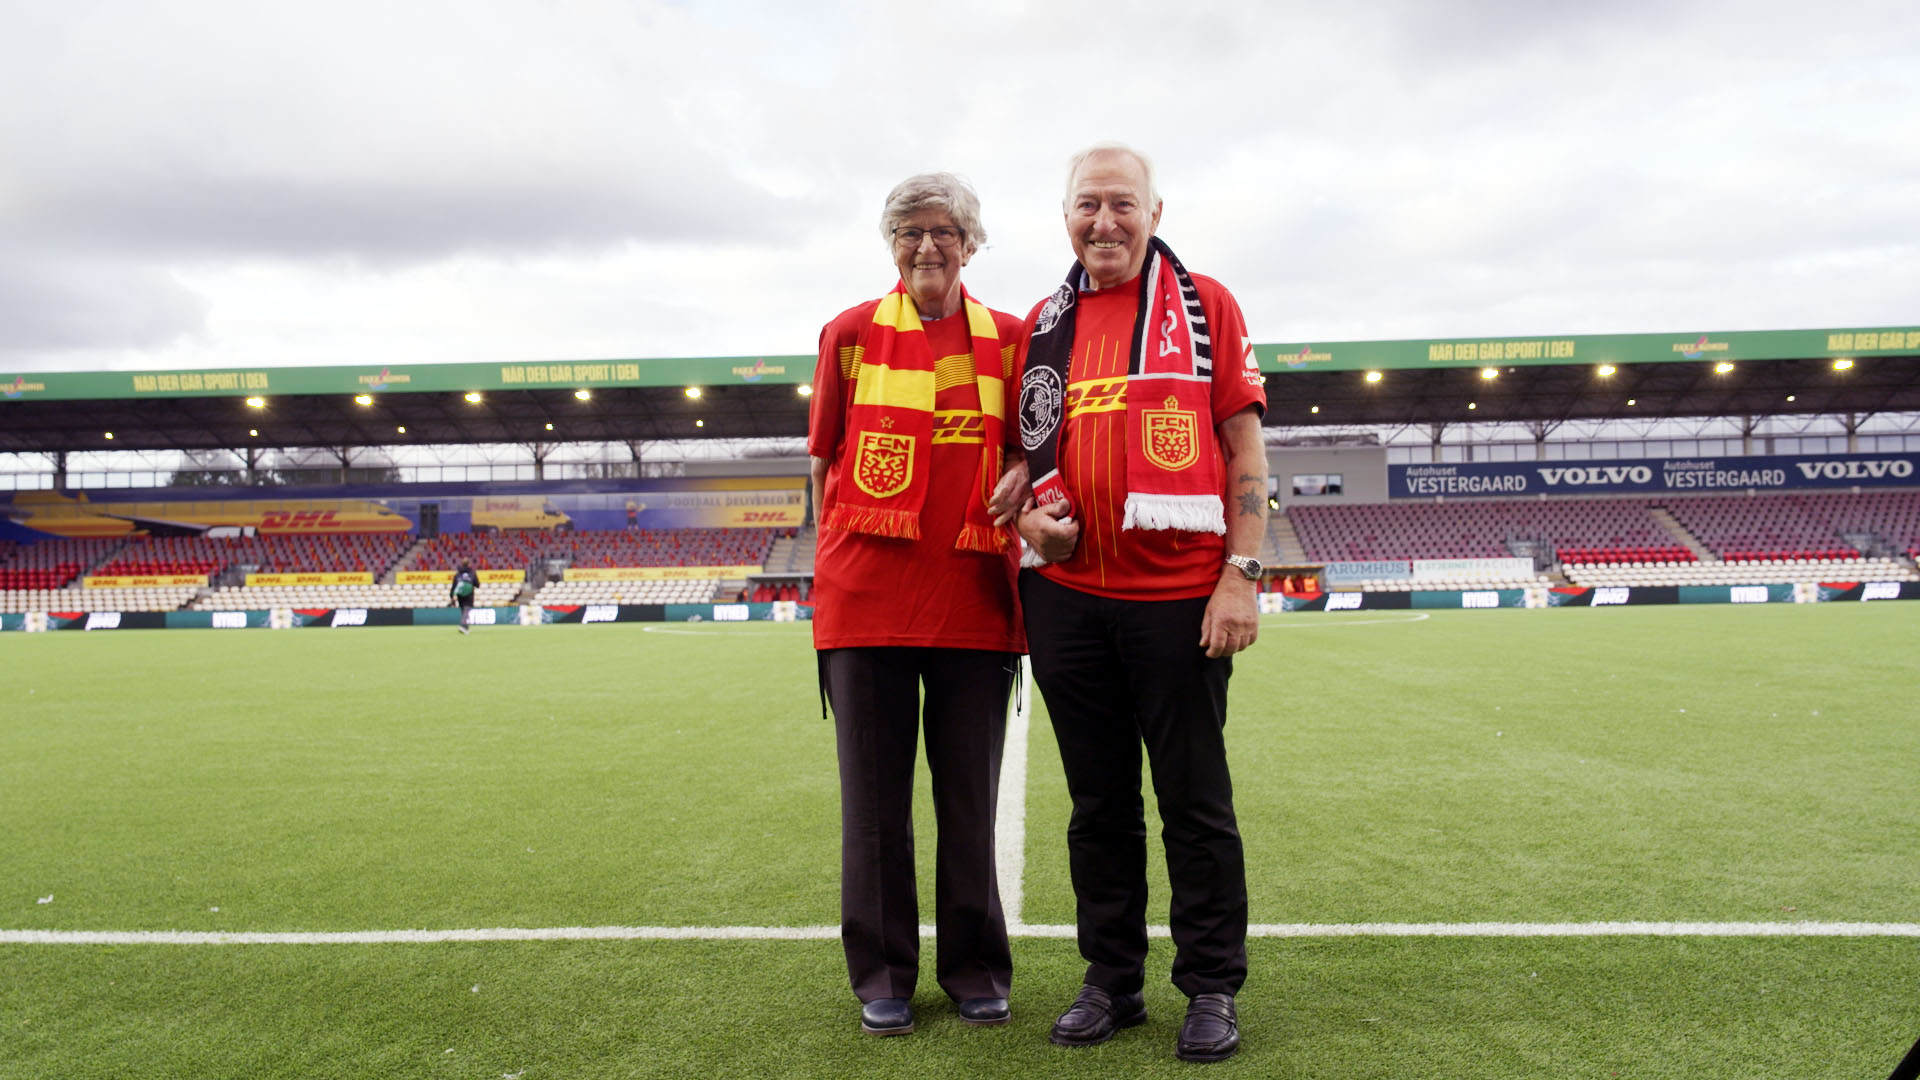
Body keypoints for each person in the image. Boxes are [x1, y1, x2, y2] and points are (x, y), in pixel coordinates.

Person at [1011, 143, 1269, 1064]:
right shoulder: (1041, 327)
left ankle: (1210, 986)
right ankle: (1110, 981)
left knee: (1195, 802)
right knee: (1098, 805)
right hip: (1069, 602)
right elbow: (1018, 465)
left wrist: (1241, 572)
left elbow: (1244, 451)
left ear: (1157, 213)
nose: (1105, 221)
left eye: (1124, 203)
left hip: (1179, 600)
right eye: (1088, 204)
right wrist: (1032, 529)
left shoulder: (1206, 307)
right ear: (1066, 215)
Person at [808, 172, 1030, 1038]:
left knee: (969, 804)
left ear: (970, 243)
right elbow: (826, 463)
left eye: (943, 231)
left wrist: (1021, 473)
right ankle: (884, 973)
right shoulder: (851, 335)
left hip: (973, 600)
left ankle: (975, 967)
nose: (927, 246)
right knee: (873, 808)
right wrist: (838, 568)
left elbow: (1031, 455)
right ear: (889, 242)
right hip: (866, 606)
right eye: (910, 231)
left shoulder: (1012, 341)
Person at [449, 561, 480, 634]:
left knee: (463, 610)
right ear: (469, 564)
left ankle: (466, 628)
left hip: (460, 595)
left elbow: (454, 586)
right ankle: (463, 626)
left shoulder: (458, 574)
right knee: (467, 610)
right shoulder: (472, 573)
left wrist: (451, 596)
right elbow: (477, 584)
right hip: (469, 594)